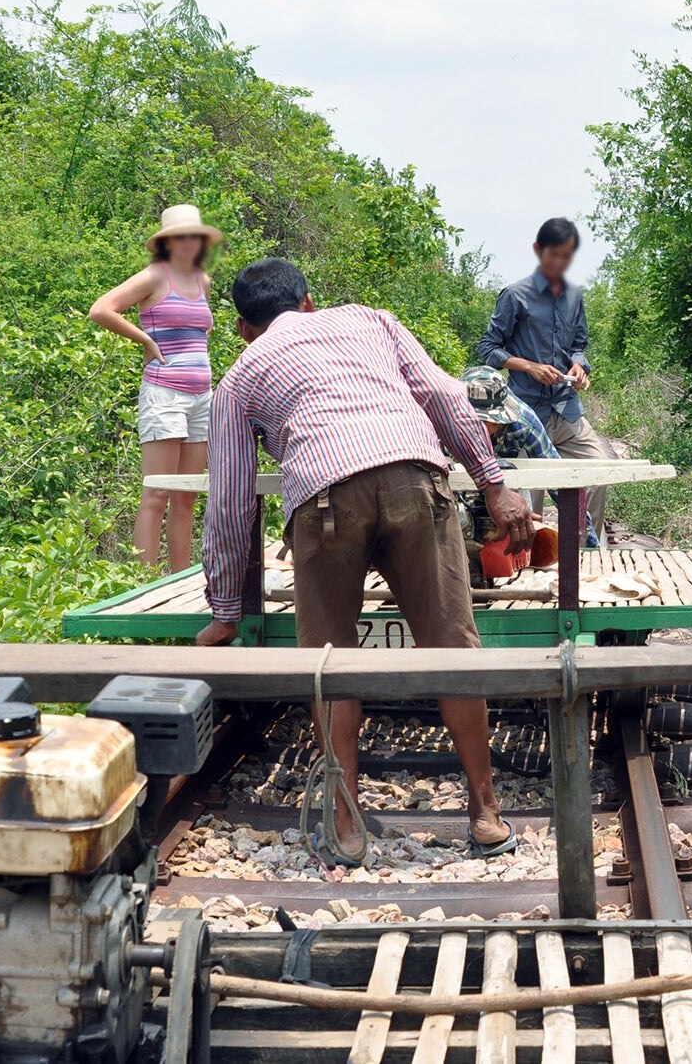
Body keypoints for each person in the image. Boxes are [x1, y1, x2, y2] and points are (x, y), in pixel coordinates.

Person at [195, 258, 534, 862]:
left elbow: (228, 502)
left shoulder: (239, 377)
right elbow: (446, 396)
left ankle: (347, 827)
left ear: (245, 329)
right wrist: (492, 483)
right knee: (453, 650)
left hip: (324, 499)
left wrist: (226, 609)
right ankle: (485, 815)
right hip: (414, 479)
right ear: (308, 301)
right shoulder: (370, 321)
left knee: (329, 662)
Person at [89, 204, 222, 571]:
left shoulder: (202, 280)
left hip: (201, 396)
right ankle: (143, 584)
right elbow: (102, 309)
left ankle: (180, 580)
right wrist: (146, 340)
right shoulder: (154, 275)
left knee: (186, 496)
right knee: (157, 492)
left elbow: (199, 329)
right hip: (165, 393)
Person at [476, 217, 615, 546]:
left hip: (566, 410)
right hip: (525, 409)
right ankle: (529, 562)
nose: (559, 262)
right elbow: (488, 348)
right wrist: (529, 367)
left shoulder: (574, 297)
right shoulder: (514, 295)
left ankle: (584, 555)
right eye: (554, 254)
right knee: (530, 491)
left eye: (567, 256)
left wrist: (580, 367)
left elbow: (579, 346)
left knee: (600, 471)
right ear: (539, 251)